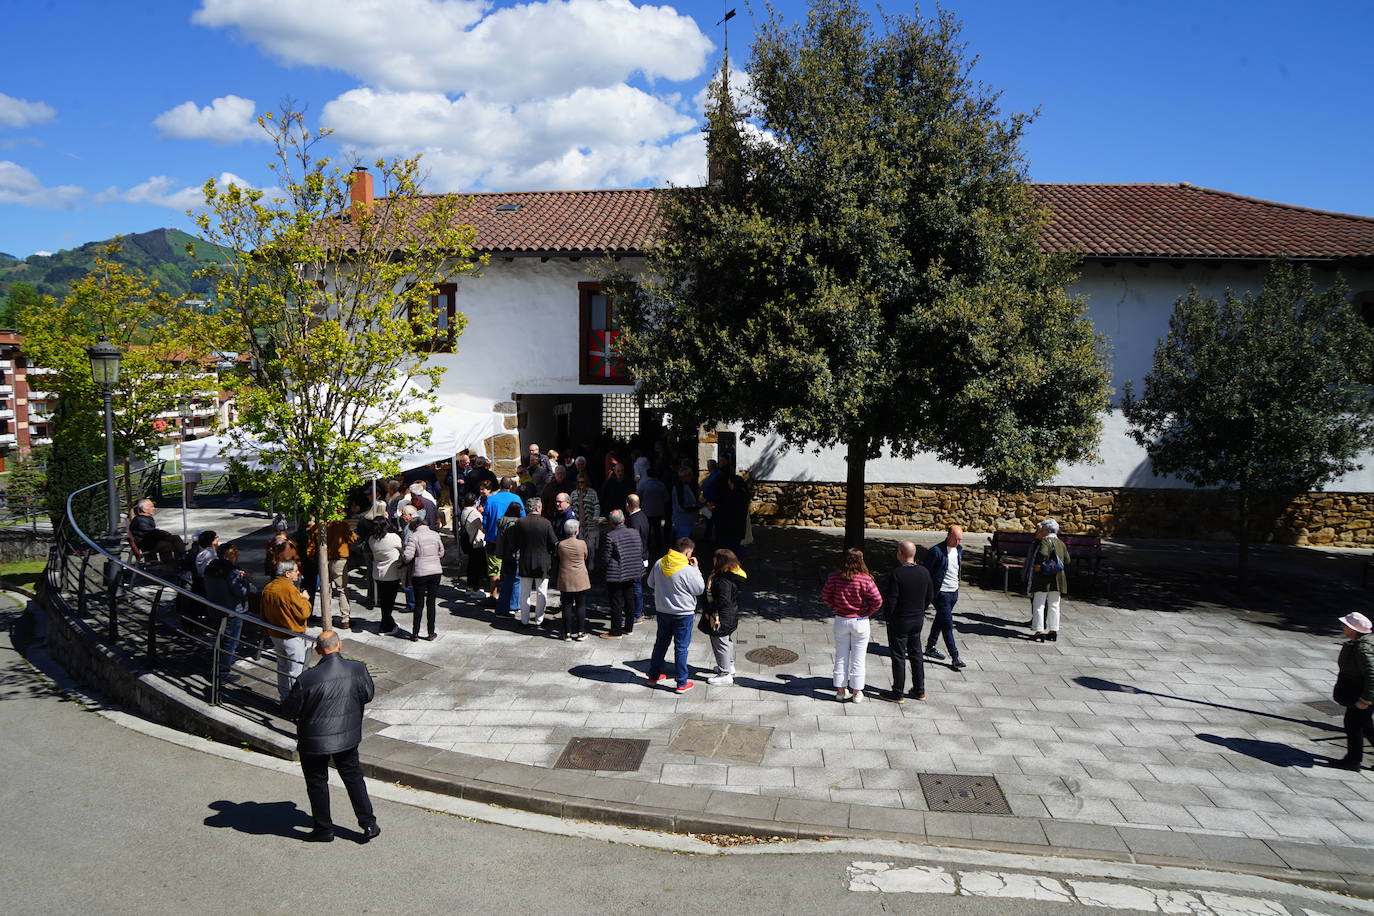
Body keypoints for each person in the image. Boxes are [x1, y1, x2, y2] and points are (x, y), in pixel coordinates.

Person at [281, 630, 380, 844]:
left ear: (318, 650)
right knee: (353, 778)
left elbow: (289, 710)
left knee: (317, 783)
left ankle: (323, 828)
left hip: (314, 741)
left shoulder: (307, 678)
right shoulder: (358, 669)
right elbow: (368, 695)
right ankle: (368, 823)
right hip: (347, 737)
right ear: (339, 645)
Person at [822, 548, 882, 703]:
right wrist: (867, 611)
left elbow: (826, 595)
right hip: (860, 621)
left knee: (841, 656)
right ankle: (857, 692)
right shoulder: (866, 580)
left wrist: (836, 607)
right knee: (859, 658)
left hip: (841, 619)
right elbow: (877, 600)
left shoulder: (834, 577)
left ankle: (840, 691)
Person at [646, 537, 706, 693]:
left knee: (660, 643)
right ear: (687, 552)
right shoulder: (687, 569)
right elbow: (699, 589)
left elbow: (650, 583)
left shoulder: (660, 563)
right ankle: (681, 682)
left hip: (663, 611)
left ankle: (653, 676)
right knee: (681, 647)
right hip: (683, 613)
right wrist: (696, 569)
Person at [886, 541, 934, 702]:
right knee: (916, 654)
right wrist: (921, 609)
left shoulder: (897, 574)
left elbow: (891, 600)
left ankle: (898, 692)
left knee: (898, 656)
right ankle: (919, 690)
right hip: (917, 619)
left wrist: (888, 618)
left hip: (900, 620)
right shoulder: (924, 572)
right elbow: (930, 595)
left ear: (900, 553)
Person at [260, 559, 313, 701]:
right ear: (287, 574)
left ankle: (284, 698)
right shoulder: (289, 590)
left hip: (275, 634)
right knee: (295, 670)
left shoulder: (268, 587)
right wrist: (305, 599)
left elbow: (263, 613)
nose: (298, 573)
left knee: (282, 668)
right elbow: (304, 613)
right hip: (291, 636)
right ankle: (294, 701)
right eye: (295, 571)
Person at [203, 542, 256, 679]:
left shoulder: (210, 568)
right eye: (234, 553)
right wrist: (245, 580)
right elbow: (241, 591)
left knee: (220, 639)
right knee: (230, 642)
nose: (237, 555)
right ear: (226, 556)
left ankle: (217, 667)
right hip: (232, 611)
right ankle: (222, 673)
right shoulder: (231, 572)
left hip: (215, 608)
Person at [1333, 612, 1374, 770]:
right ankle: (1353, 759)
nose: (1342, 627)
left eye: (1345, 625)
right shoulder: (1360, 643)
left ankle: (1353, 761)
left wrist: (1365, 699)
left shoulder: (1363, 648)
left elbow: (1372, 674)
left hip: (1363, 693)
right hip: (1362, 690)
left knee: (1353, 725)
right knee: (1366, 725)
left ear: (1353, 629)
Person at [699, 548, 745, 686]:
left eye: (715, 558)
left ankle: (725, 674)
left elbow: (722, 600)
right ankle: (729, 666)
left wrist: (709, 608)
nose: (713, 560)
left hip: (721, 617)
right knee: (726, 641)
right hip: (730, 615)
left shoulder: (723, 580)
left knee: (720, 642)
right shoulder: (731, 575)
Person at [923, 525, 967, 669]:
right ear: (948, 536)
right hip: (941, 593)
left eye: (960, 539)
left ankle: (930, 647)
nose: (958, 542)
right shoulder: (936, 551)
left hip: (954, 592)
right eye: (956, 539)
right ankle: (955, 657)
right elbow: (926, 572)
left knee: (941, 619)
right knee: (948, 624)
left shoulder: (959, 550)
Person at [510, 497, 558, 628]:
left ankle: (524, 620)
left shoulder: (520, 522)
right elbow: (553, 542)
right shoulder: (546, 523)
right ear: (537, 508)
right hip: (542, 562)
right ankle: (539, 620)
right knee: (541, 592)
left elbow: (514, 542)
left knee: (524, 592)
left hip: (525, 560)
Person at [598, 509, 642, 638]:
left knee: (616, 602)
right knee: (629, 599)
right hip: (632, 570)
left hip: (616, 573)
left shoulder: (610, 536)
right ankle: (628, 627)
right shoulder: (634, 532)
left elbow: (606, 557)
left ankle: (615, 631)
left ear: (611, 523)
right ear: (623, 520)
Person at [1024, 519, 1069, 642]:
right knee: (1054, 605)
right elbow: (1067, 560)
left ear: (1048, 531)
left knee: (1039, 604)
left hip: (1043, 578)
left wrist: (1040, 565)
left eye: (1043, 529)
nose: (1041, 531)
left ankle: (1039, 631)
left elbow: (1043, 554)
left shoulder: (1045, 540)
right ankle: (1053, 630)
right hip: (1058, 578)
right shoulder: (1061, 543)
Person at [401, 516, 443, 641]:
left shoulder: (414, 537)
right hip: (435, 571)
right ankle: (431, 632)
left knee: (419, 604)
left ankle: (415, 633)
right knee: (431, 602)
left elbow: (408, 557)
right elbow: (441, 552)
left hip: (420, 572)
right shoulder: (435, 535)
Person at [483, 477, 525, 600]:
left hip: (493, 539)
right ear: (511, 487)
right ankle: (509, 597)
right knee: (510, 569)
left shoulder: (490, 499)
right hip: (512, 540)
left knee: (494, 570)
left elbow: (485, 521)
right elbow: (522, 518)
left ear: (500, 486)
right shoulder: (516, 499)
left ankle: (493, 595)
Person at [556, 519, 591, 640]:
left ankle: (567, 633)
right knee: (581, 605)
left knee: (566, 605)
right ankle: (581, 632)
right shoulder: (582, 544)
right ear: (577, 531)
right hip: (580, 577)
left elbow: (559, 557)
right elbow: (586, 556)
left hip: (565, 577)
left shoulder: (560, 545)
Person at [369, 518, 405, 635]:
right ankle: (386, 625)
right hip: (392, 573)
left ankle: (387, 623)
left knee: (384, 599)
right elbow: (402, 550)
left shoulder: (371, 539)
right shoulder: (393, 538)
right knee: (389, 601)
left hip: (378, 573)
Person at [129, 498, 185, 564]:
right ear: (144, 509)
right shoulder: (140, 520)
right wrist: (164, 534)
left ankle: (176, 561)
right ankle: (181, 559)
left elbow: (152, 532)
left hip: (148, 542)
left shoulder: (144, 518)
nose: (154, 508)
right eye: (151, 507)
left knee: (173, 540)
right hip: (147, 545)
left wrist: (163, 534)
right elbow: (150, 533)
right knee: (173, 540)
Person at [325, 517, 357, 629]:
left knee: (326, 590)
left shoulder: (322, 524)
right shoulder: (341, 524)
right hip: (339, 559)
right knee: (342, 589)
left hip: (324, 559)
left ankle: (327, 618)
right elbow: (353, 539)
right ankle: (345, 619)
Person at [625, 493, 652, 621]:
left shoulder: (633, 520)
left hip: (636, 558)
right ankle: (638, 611)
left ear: (628, 505)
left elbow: (634, 541)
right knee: (637, 585)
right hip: (643, 554)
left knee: (636, 586)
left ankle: (638, 613)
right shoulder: (643, 516)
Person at [458, 492, 487, 594]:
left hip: (469, 541)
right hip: (476, 542)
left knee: (471, 565)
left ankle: (470, 587)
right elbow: (482, 527)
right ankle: (475, 588)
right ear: (474, 502)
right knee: (477, 566)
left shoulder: (464, 511)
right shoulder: (474, 513)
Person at [570, 474, 601, 568]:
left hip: (590, 524)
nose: (580, 484)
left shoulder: (592, 492)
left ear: (586, 482)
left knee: (590, 546)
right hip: (578, 525)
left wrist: (595, 517)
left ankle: (591, 561)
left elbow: (596, 506)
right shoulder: (573, 493)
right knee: (579, 546)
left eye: (582, 482)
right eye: (578, 482)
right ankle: (582, 564)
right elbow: (571, 507)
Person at [637, 468, 670, 556]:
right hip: (658, 511)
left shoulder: (643, 484)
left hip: (646, 511)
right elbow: (666, 498)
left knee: (647, 531)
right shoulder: (661, 485)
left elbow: (638, 496)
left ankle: (646, 547)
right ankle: (659, 548)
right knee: (657, 530)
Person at [670, 469, 699, 540]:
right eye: (690, 475)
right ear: (685, 476)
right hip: (683, 520)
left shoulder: (683, 486)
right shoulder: (680, 487)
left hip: (684, 520)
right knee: (683, 542)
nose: (691, 477)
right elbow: (682, 506)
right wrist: (696, 507)